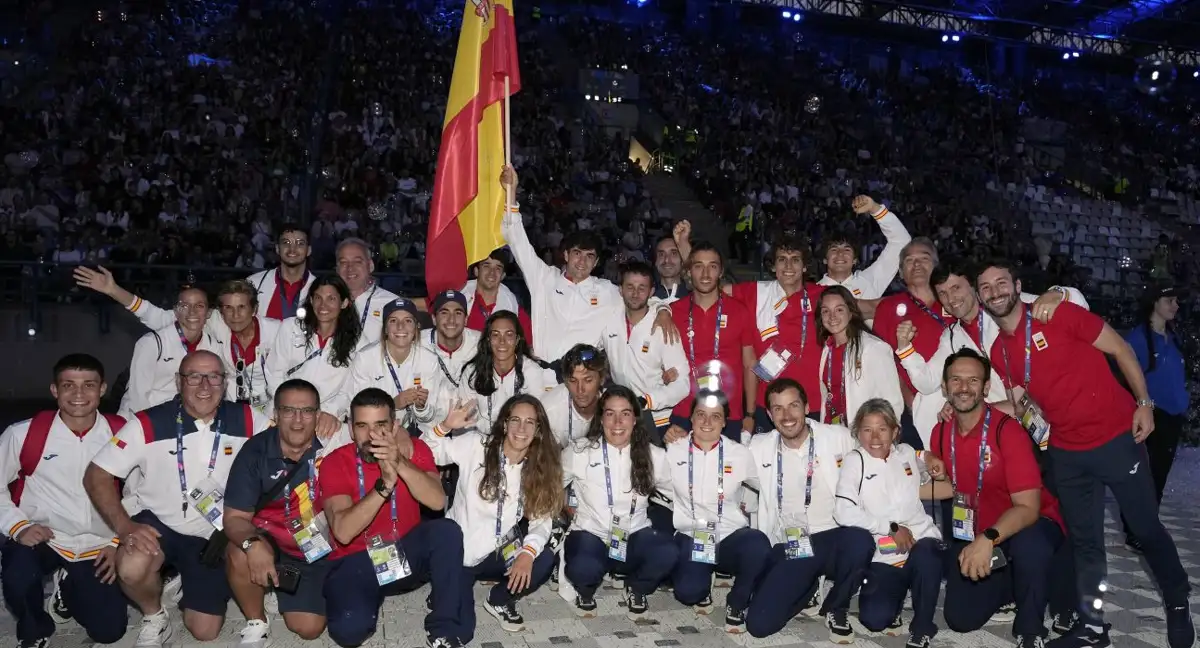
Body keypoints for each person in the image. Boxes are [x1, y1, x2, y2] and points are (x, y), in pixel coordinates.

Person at [977, 261, 1193, 648]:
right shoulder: (998, 353)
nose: (995, 292)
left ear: (1018, 286)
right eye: (986, 287)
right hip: (1067, 452)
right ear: (981, 298)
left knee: (1144, 530)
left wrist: (1143, 402)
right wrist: (975, 410)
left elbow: (1121, 348)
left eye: (1001, 283)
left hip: (1116, 438)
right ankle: (1093, 625)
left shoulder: (1057, 313)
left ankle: (1178, 603)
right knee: (1086, 541)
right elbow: (1024, 404)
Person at [83, 351, 267, 647]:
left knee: (204, 631)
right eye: (194, 376)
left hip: (215, 532)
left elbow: (286, 444)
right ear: (178, 381)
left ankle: (188, 582)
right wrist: (123, 527)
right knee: (131, 564)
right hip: (160, 524)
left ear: (225, 382)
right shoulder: (147, 422)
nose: (204, 385)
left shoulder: (248, 419)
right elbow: (96, 474)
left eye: (214, 377)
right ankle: (154, 614)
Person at [929, 348, 1073, 648]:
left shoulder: (1007, 432)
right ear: (944, 387)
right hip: (979, 530)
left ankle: (1030, 629)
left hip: (1027, 523)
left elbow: (1028, 508)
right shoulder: (940, 432)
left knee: (1030, 545)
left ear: (985, 387)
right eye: (955, 380)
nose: (964, 388)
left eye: (972, 380)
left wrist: (988, 538)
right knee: (960, 619)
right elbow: (947, 488)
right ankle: (1010, 583)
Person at [320, 388, 472, 648]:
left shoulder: (415, 450)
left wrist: (399, 463)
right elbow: (343, 532)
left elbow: (437, 501)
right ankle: (366, 598)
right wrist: (384, 486)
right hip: (358, 560)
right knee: (349, 632)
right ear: (350, 429)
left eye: (381, 425)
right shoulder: (336, 462)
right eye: (362, 426)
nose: (372, 435)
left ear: (394, 425)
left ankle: (444, 630)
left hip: (404, 555)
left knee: (446, 532)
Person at [0, 355, 128, 648]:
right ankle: (35, 630)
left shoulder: (122, 433)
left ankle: (67, 586)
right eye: (68, 385)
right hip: (47, 538)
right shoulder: (24, 434)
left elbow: (142, 491)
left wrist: (117, 541)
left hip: (99, 544)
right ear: (55, 390)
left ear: (103, 388)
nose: (79, 394)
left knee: (109, 631)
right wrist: (17, 526)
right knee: (19, 572)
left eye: (89, 385)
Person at [499, 165, 677, 369]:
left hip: (582, 380)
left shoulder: (606, 291)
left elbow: (638, 296)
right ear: (565, 255)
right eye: (577, 253)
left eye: (589, 256)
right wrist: (511, 192)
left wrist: (663, 309)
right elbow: (517, 240)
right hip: (541, 373)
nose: (582, 261)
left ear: (597, 262)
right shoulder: (544, 278)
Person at [894, 258, 1085, 447]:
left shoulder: (1004, 306)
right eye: (943, 293)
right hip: (1013, 423)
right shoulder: (952, 337)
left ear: (973, 287)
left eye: (956, 288)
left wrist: (1058, 293)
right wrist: (904, 347)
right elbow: (926, 383)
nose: (951, 299)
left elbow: (1079, 303)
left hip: (1057, 409)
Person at [421, 394, 563, 632]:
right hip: (460, 554)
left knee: (543, 558)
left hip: (497, 551)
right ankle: (445, 587)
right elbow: (426, 452)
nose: (521, 428)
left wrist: (527, 554)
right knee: (461, 630)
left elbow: (542, 520)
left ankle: (499, 600)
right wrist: (444, 426)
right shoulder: (477, 445)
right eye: (515, 420)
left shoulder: (537, 467)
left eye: (530, 422)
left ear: (538, 429)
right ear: (505, 424)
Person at [744, 379, 870, 641]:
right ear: (769, 414)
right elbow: (717, 460)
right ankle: (808, 585)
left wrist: (921, 459)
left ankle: (836, 606)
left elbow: (880, 455)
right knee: (759, 625)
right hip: (792, 545)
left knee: (860, 540)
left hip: (835, 538)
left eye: (794, 406)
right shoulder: (757, 448)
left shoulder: (839, 437)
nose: (787, 416)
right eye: (777, 409)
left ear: (808, 407)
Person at [676, 224, 825, 431]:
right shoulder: (756, 292)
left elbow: (864, 308)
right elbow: (708, 283)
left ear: (805, 266)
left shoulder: (823, 296)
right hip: (768, 405)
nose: (788, 266)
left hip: (812, 402)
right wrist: (684, 246)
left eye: (795, 260)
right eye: (782, 259)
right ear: (773, 266)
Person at [222, 379, 333, 647]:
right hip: (267, 536)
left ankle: (277, 588)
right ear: (275, 414)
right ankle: (256, 621)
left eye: (306, 411)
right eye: (288, 410)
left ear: (318, 416)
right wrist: (253, 543)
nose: (297, 420)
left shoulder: (332, 445)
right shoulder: (255, 451)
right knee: (239, 549)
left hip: (312, 544)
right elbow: (234, 518)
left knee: (308, 628)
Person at [74, 270, 283, 409]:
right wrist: (113, 290)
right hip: (154, 418)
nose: (235, 315)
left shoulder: (277, 332)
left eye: (242, 307)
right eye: (228, 308)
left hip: (264, 410)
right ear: (218, 311)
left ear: (254, 309)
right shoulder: (214, 322)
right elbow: (155, 316)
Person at [560, 386, 677, 618]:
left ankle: (637, 587)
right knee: (583, 569)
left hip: (634, 532)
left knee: (668, 552)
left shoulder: (654, 455)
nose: (617, 422)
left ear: (635, 419)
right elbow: (550, 487)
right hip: (590, 532)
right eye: (610, 413)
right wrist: (561, 510)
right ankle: (586, 589)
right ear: (601, 418)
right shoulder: (579, 451)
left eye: (625, 413)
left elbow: (678, 493)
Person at [834, 399, 942, 648]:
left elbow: (922, 458)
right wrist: (891, 527)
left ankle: (923, 627)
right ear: (857, 433)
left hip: (921, 543)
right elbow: (843, 512)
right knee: (874, 619)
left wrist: (930, 457)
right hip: (885, 555)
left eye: (882, 428)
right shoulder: (855, 461)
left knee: (928, 553)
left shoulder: (905, 452)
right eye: (867, 429)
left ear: (894, 431)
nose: (874, 437)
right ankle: (898, 594)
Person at [666, 391, 770, 633]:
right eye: (700, 414)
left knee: (758, 545)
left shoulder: (739, 454)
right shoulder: (673, 450)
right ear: (690, 418)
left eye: (715, 416)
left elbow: (764, 487)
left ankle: (737, 602)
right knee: (689, 592)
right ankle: (702, 583)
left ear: (725, 422)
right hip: (691, 534)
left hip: (728, 534)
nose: (706, 422)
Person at [666, 241, 757, 442]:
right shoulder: (672, 312)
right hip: (684, 411)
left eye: (712, 266)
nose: (706, 274)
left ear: (721, 271)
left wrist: (750, 414)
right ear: (688, 271)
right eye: (698, 266)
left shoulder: (739, 311)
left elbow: (749, 363)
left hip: (729, 414)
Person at [1120, 282, 1187, 553]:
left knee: (1158, 476)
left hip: (1173, 416)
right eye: (1170, 300)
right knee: (1141, 476)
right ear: (1155, 304)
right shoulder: (1138, 339)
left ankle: (1147, 525)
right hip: (1150, 413)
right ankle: (1135, 528)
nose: (1175, 305)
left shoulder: (1174, 337)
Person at [870, 238, 951, 448]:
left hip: (961, 400)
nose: (916, 265)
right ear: (900, 272)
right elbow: (884, 362)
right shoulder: (888, 308)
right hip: (911, 406)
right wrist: (909, 401)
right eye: (909, 260)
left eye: (924, 258)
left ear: (936, 265)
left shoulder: (955, 299)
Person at [264, 275, 362, 439]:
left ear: (344, 303)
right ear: (310, 300)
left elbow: (349, 388)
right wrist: (286, 408)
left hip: (325, 416)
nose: (323, 305)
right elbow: (274, 372)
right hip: (284, 410)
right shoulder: (290, 328)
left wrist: (329, 413)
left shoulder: (357, 343)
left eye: (331, 298)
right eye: (318, 298)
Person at [601, 261, 691, 439]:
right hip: (622, 419)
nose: (635, 294)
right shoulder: (609, 319)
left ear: (651, 292)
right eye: (630, 287)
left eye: (642, 288)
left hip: (657, 419)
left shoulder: (662, 327)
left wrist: (647, 400)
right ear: (620, 290)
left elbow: (683, 384)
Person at [331, 298, 449, 432]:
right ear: (385, 329)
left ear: (417, 328)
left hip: (414, 432)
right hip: (373, 430)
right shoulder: (366, 358)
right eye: (393, 321)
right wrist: (393, 404)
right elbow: (356, 408)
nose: (400, 326)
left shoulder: (429, 360)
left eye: (408, 321)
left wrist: (421, 407)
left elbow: (429, 418)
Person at [121, 285, 219, 416]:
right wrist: (147, 427)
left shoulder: (213, 346)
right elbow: (138, 396)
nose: (192, 312)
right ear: (176, 311)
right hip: (144, 417)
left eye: (199, 306)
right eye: (184, 306)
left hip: (183, 418)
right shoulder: (151, 343)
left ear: (208, 312)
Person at [816, 286, 903, 425]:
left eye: (839, 310)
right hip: (833, 432)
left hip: (864, 435)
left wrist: (882, 438)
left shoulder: (874, 348)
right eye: (826, 311)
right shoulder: (827, 349)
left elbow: (892, 402)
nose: (832, 316)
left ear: (851, 313)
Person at [458, 311, 547, 433]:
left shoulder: (532, 372)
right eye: (495, 335)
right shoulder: (472, 372)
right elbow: (466, 418)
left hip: (519, 439)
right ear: (488, 340)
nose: (502, 341)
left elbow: (536, 418)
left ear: (517, 340)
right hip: (482, 439)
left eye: (509, 335)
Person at [817, 195, 911, 305]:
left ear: (855, 259)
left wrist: (874, 208)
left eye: (847, 250)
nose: (840, 253)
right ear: (824, 259)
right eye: (834, 249)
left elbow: (902, 241)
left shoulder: (870, 280)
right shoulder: (811, 293)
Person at [335, 237, 402, 349]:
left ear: (370, 266)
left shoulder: (391, 304)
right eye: (343, 262)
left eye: (357, 262)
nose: (350, 268)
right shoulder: (326, 303)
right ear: (337, 269)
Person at [539, 344, 606, 447]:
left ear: (601, 379)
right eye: (573, 381)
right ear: (565, 382)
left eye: (588, 380)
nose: (580, 389)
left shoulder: (613, 407)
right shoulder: (548, 410)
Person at [246, 225, 316, 319]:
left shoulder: (319, 289)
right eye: (286, 243)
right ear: (277, 249)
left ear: (309, 250)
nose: (292, 249)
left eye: (300, 243)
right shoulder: (253, 284)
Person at [463, 249, 533, 342]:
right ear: (476, 271)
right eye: (486, 266)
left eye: (498, 268)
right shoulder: (460, 300)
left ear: (503, 275)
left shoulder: (513, 307)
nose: (492, 272)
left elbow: (530, 344)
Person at [420, 290, 482, 393]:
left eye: (458, 313)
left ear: (466, 319)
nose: (451, 320)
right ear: (434, 319)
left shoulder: (481, 343)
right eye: (444, 313)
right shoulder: (418, 343)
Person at [652, 235, 689, 303]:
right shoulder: (647, 296)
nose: (666, 260)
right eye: (661, 254)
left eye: (673, 253)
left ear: (682, 260)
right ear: (655, 261)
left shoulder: (694, 296)